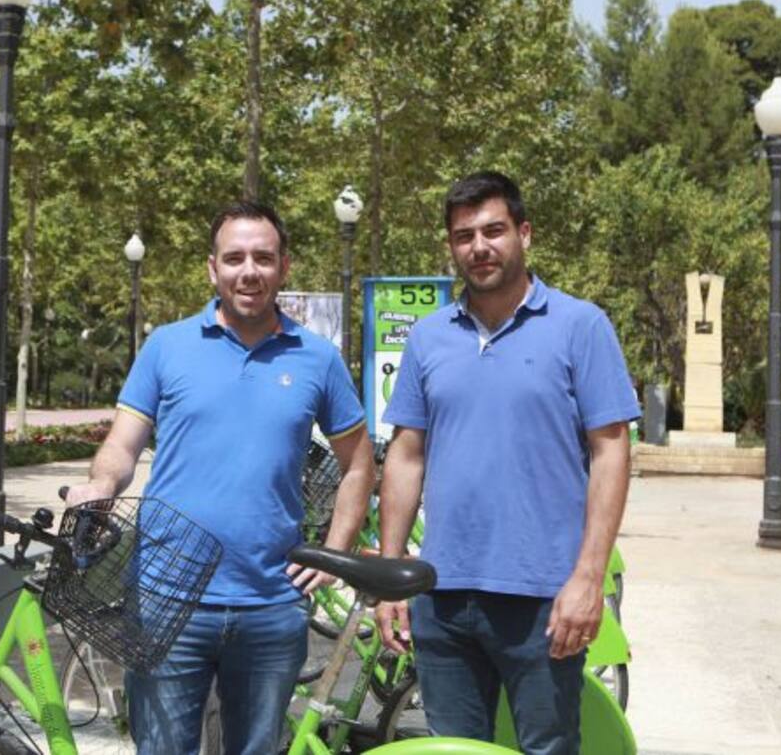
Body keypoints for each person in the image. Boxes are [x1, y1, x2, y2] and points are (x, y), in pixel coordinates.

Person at [65, 201, 375, 755]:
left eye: (263, 257)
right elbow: (122, 443)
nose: (248, 271)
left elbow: (358, 462)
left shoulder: (317, 358)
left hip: (271, 604)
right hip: (165, 599)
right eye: (234, 258)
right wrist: (101, 487)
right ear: (213, 269)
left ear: (285, 267)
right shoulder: (166, 345)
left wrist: (333, 550)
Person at [374, 171, 638, 755]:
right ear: (451, 246)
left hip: (543, 598)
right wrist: (393, 574)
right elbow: (406, 455)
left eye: (494, 230)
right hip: (442, 598)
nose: (479, 246)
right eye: (464, 235)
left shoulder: (580, 326)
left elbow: (611, 450)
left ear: (524, 233)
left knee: (548, 747)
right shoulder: (427, 338)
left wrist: (588, 579)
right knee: (454, 751)